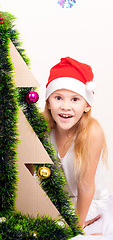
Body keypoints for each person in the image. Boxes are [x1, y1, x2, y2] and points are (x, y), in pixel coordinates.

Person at [44, 57, 113, 235]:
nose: (65, 107)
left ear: (86, 106)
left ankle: (88, 224)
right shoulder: (43, 128)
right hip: (57, 198)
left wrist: (77, 226)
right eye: (58, 98)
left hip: (88, 200)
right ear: (49, 103)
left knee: (55, 225)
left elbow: (86, 185)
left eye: (75, 99)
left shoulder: (92, 132)